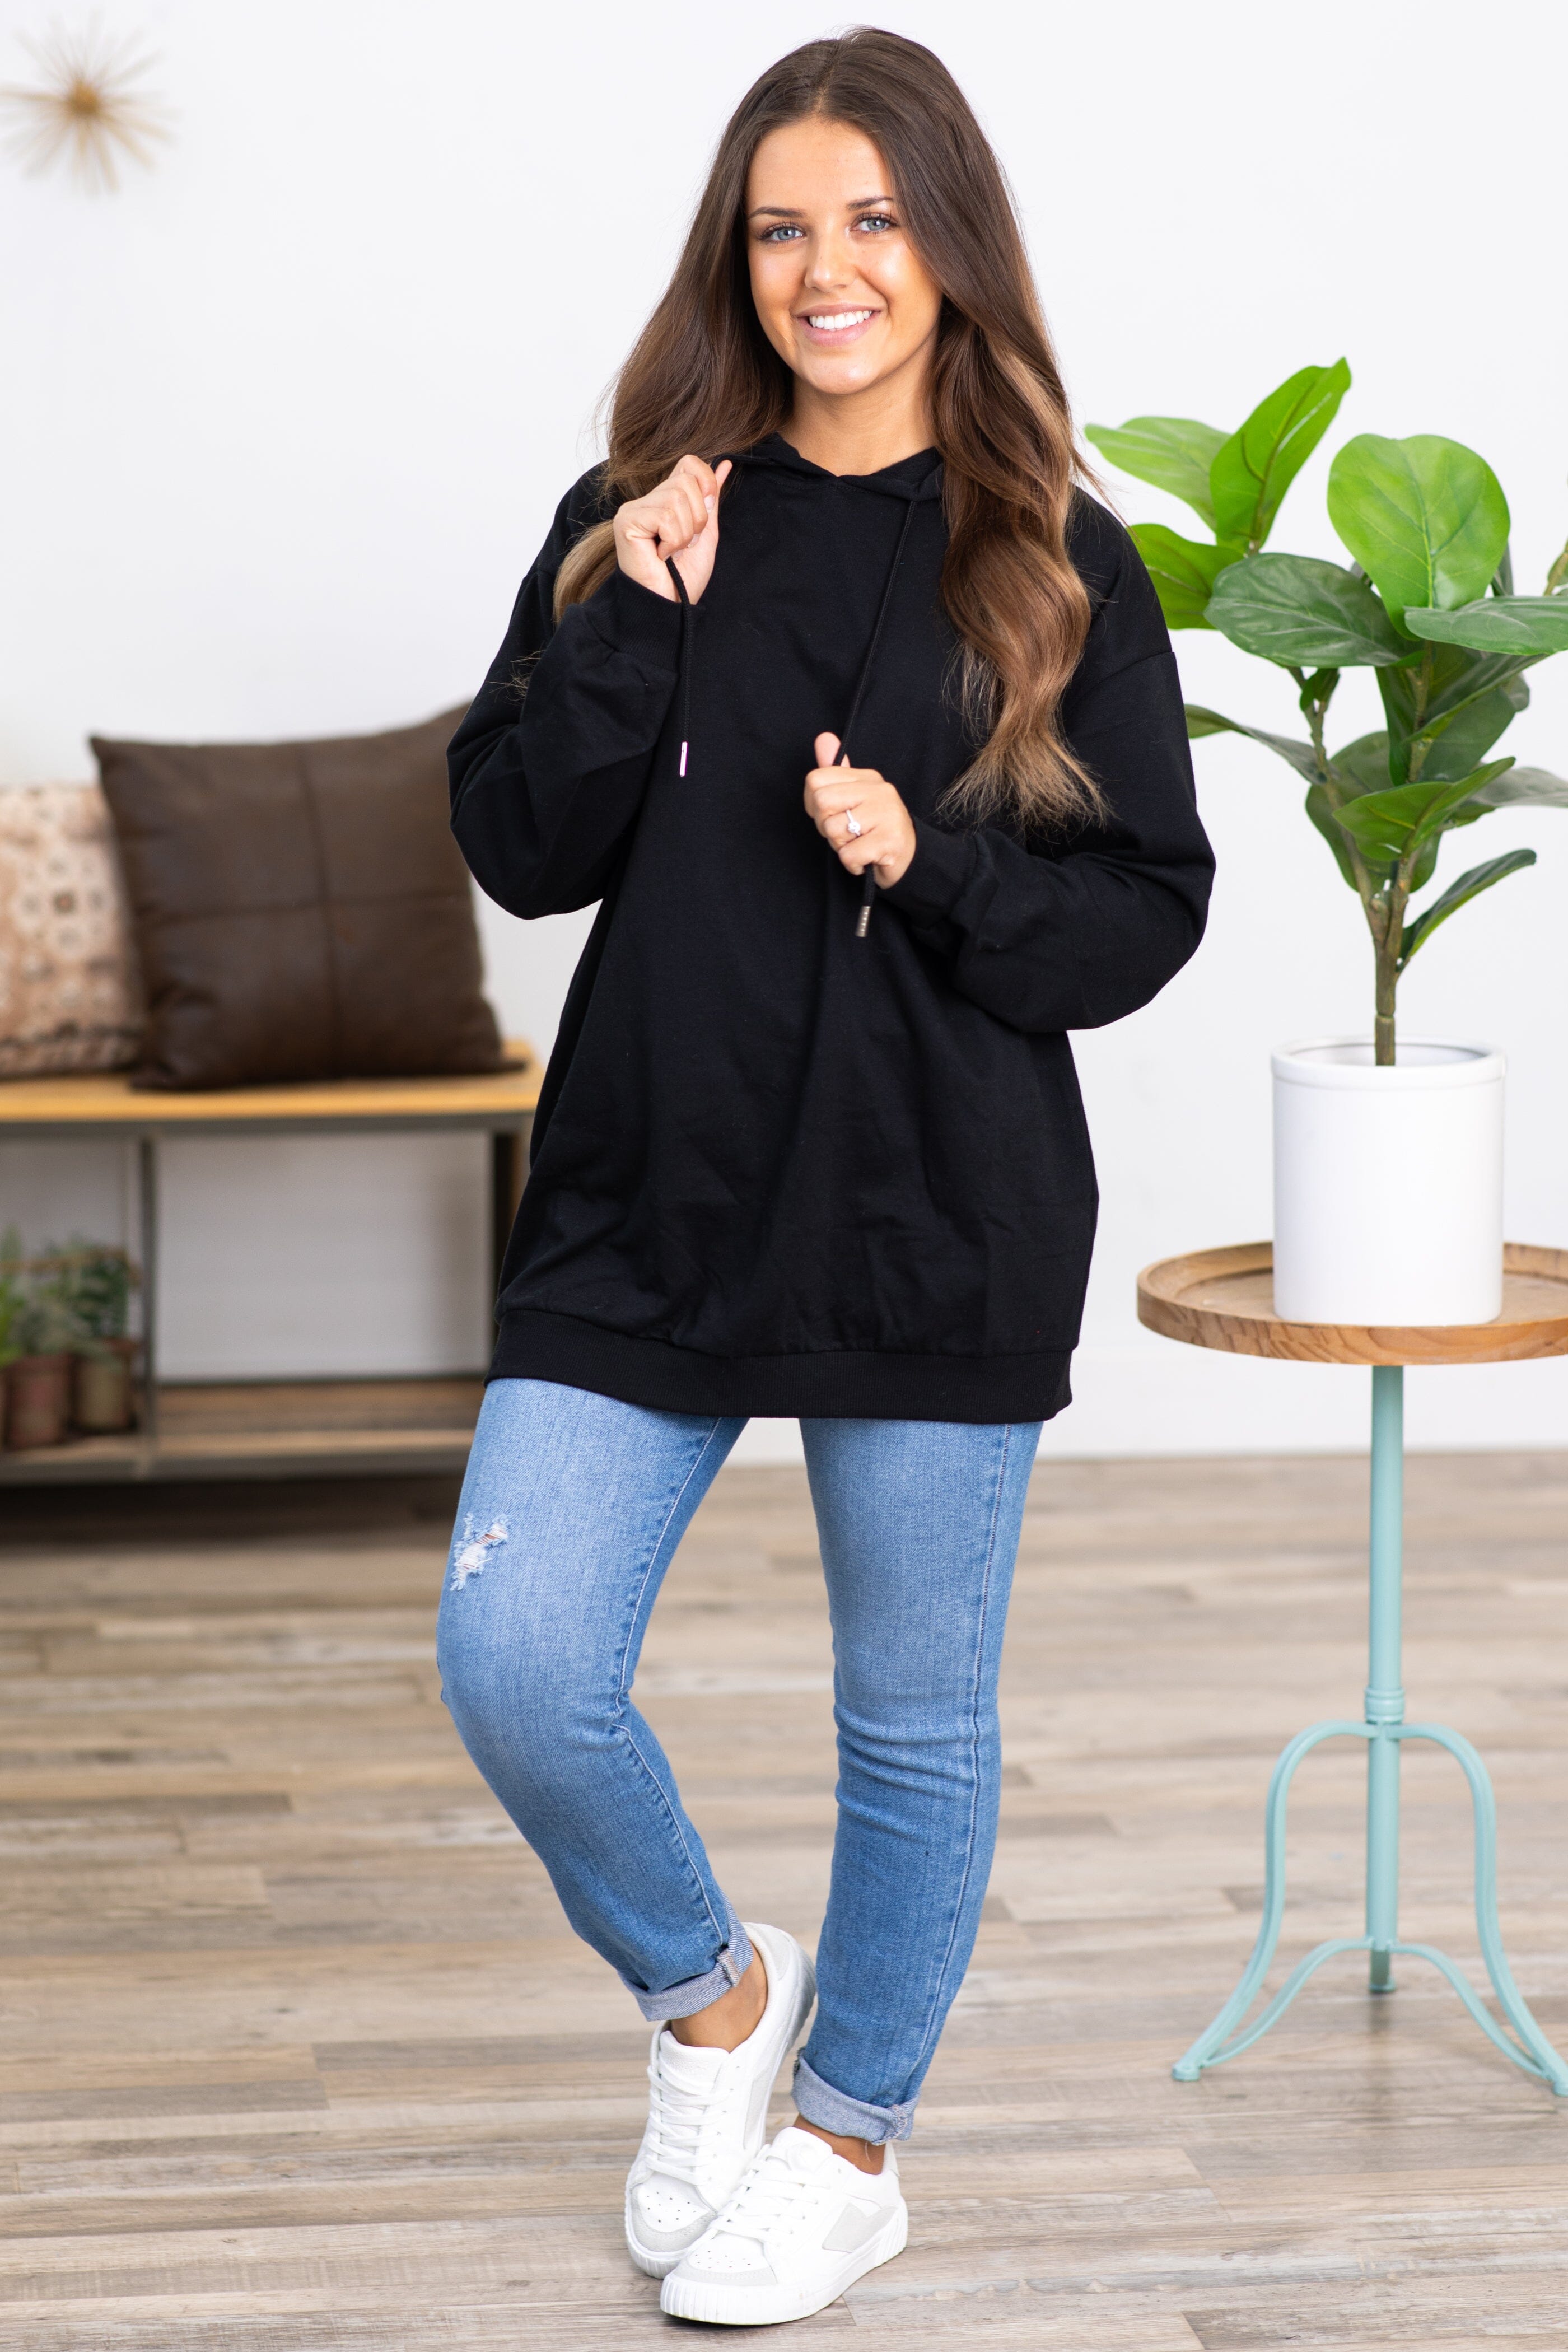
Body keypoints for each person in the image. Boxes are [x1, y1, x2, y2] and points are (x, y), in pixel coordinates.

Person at [439, 26, 1212, 2329]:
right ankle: (714, 2005)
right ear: (735, 258)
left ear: (951, 247)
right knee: (516, 1657)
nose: (826, 269)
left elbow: (1142, 916)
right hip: (647, 1185)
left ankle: (849, 2143)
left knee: (911, 1723)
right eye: (781, 227)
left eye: (873, 219)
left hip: (933, 1202)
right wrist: (628, 607)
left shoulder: (1056, 562)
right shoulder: (636, 513)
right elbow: (519, 846)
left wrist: (930, 856)